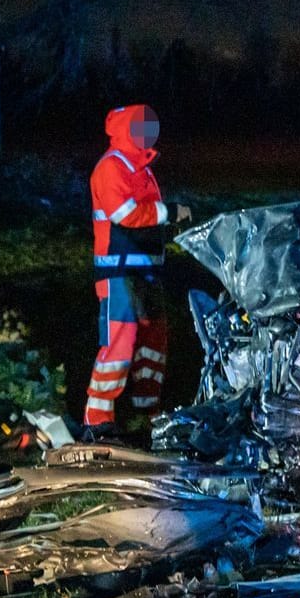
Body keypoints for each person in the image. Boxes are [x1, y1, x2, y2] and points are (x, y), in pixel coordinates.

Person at [84, 105, 189, 439]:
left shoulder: (140, 167)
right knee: (119, 343)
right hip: (118, 272)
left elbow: (146, 217)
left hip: (145, 272)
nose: (149, 133)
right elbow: (125, 214)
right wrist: (170, 212)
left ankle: (148, 416)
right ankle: (98, 417)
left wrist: (168, 221)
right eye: (142, 127)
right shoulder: (112, 167)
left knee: (153, 340)